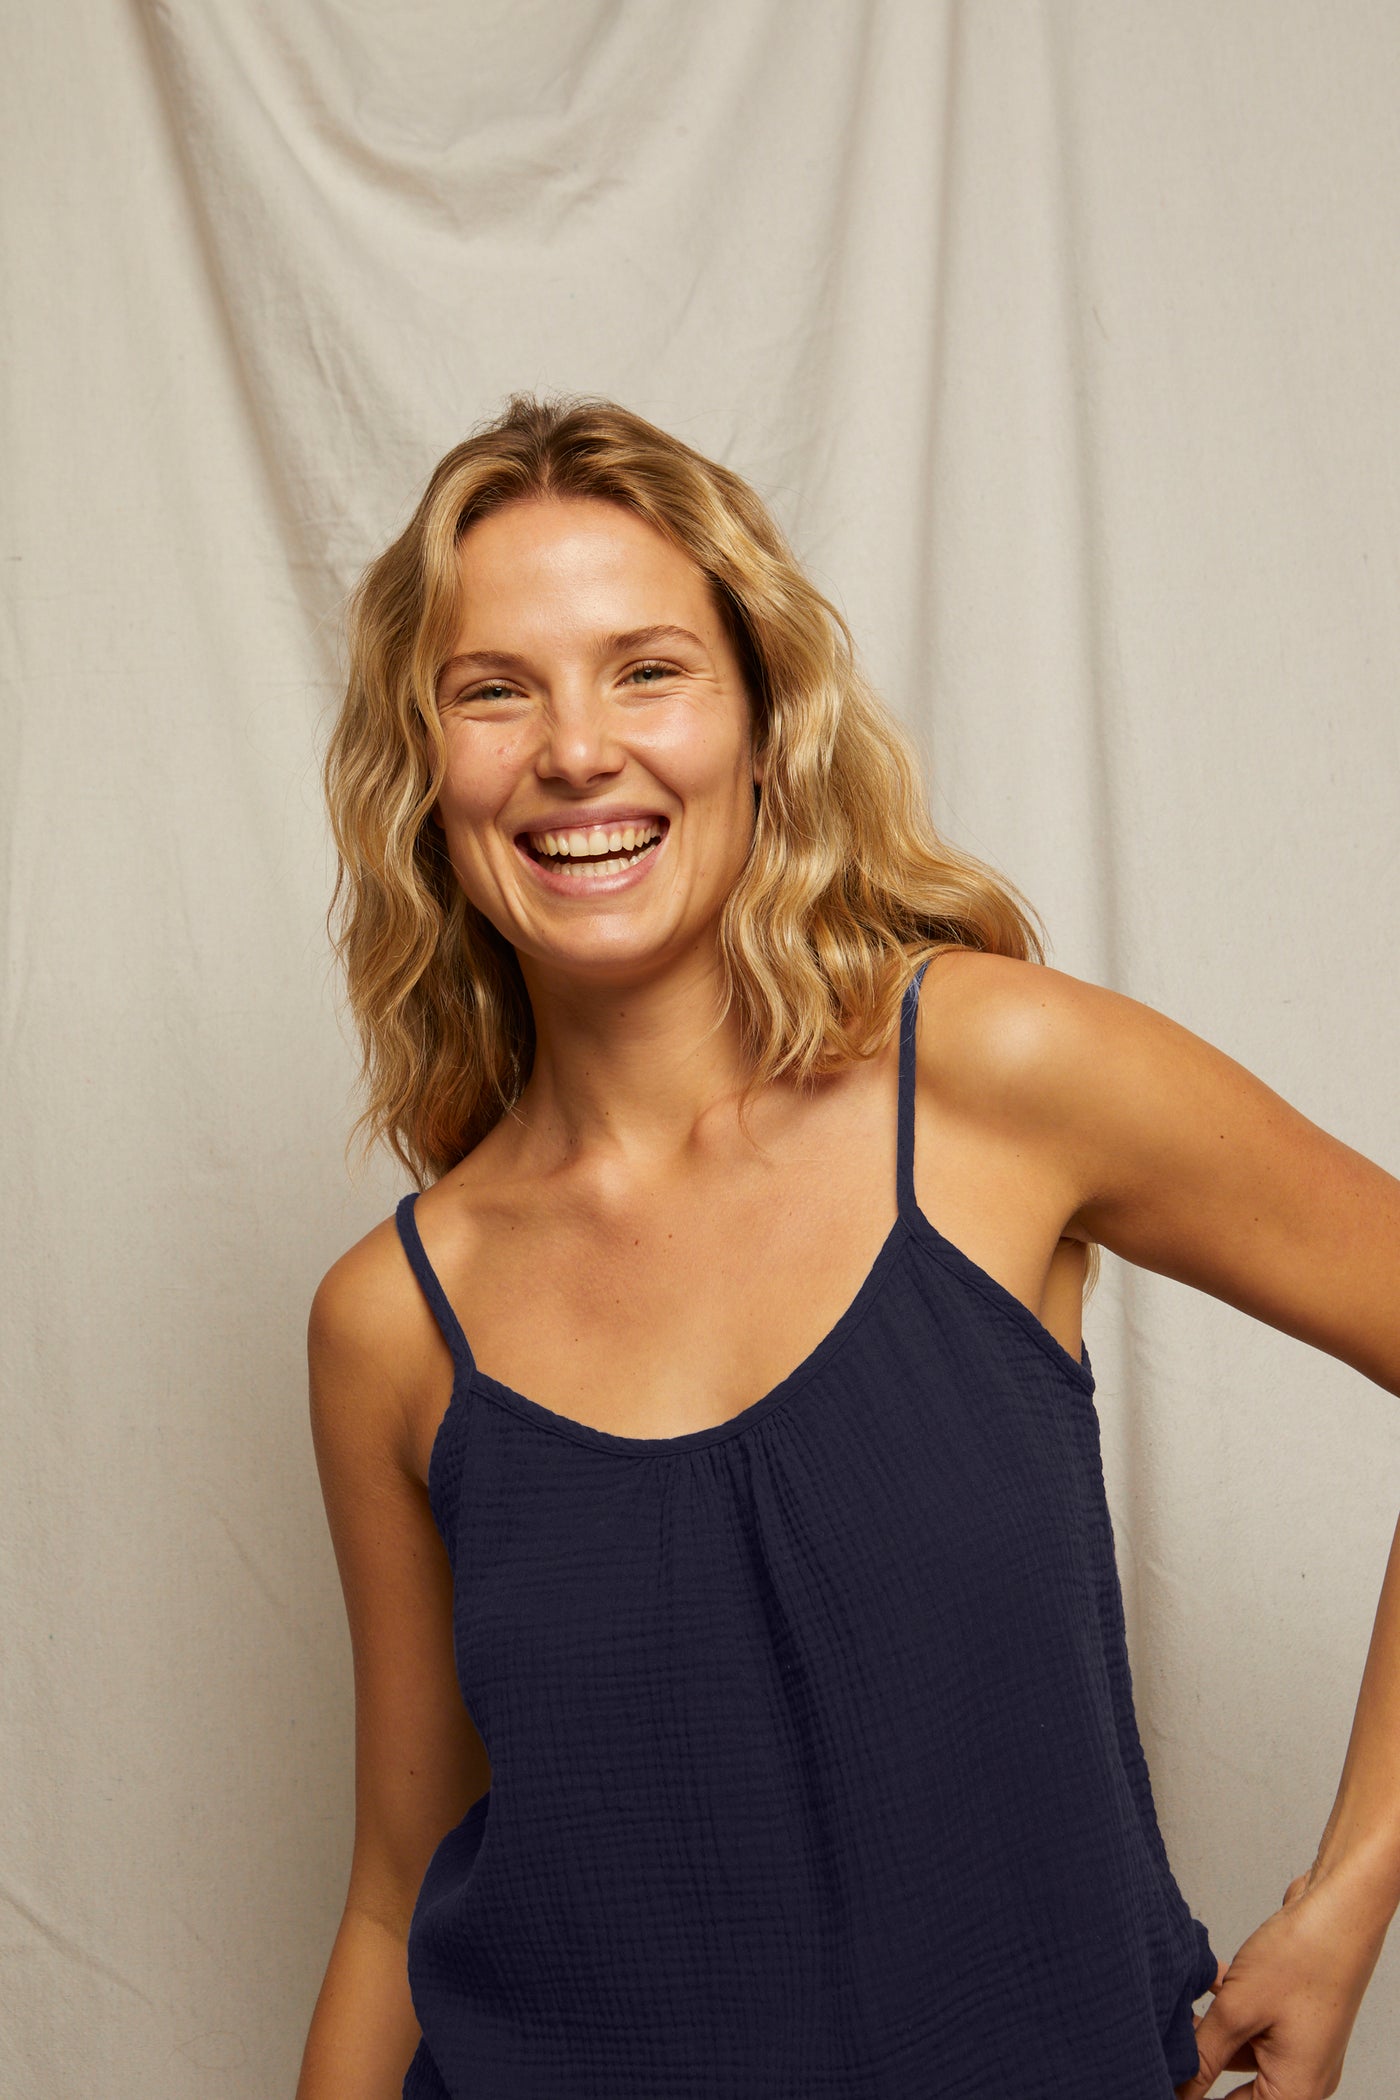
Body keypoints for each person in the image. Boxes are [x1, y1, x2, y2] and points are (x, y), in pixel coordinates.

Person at [296, 394, 1400, 2100]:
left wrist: (1346, 1905)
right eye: (492, 690)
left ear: (762, 721)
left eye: (647, 670)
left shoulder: (995, 1077)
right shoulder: (392, 1321)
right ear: (420, 773)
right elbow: (393, 1897)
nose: (575, 750)